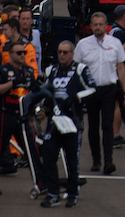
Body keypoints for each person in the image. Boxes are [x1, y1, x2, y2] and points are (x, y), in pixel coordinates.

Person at [35, 40, 97, 207]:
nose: (61, 55)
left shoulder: (80, 69)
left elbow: (93, 89)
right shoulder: (51, 70)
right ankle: (53, 193)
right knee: (48, 154)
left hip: (72, 122)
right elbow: (42, 92)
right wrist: (44, 101)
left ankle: (72, 192)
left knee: (72, 159)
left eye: (65, 52)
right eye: (59, 52)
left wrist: (76, 98)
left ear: (72, 53)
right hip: (53, 122)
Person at [73, 11, 125, 174]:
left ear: (106, 26)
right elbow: (76, 69)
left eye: (101, 24)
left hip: (109, 89)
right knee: (93, 125)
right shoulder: (83, 44)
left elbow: (121, 68)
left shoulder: (115, 43)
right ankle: (96, 160)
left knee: (107, 125)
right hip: (90, 90)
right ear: (91, 26)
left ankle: (108, 161)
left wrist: (124, 92)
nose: (98, 27)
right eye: (95, 24)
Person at [0, 39, 37, 195]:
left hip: (23, 116)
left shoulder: (29, 71)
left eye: (24, 52)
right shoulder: (1, 71)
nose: (22, 55)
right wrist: (13, 83)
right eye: (19, 53)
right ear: (10, 54)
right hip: (4, 114)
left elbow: (34, 92)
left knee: (32, 151)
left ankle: (41, 182)